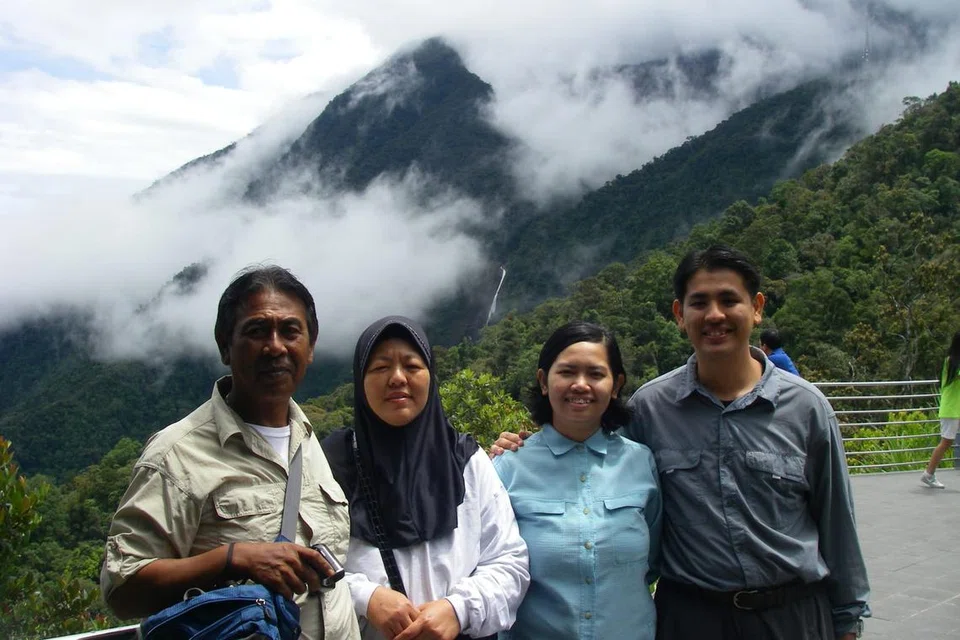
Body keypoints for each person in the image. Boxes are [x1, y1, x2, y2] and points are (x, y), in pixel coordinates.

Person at [492, 245, 870, 640]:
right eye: (699, 302)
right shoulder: (651, 409)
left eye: (729, 300)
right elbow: (590, 463)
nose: (715, 315)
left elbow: (837, 522)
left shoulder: (806, 408)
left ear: (756, 307)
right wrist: (515, 449)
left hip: (791, 616)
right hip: (691, 618)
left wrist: (847, 620)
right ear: (679, 314)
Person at [100, 265, 360, 640]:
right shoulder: (176, 455)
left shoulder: (306, 438)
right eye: (257, 331)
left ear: (310, 347)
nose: (275, 347)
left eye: (290, 331)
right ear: (225, 346)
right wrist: (232, 559)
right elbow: (123, 588)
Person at [321, 316, 529, 640]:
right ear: (359, 381)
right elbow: (305, 562)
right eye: (380, 368)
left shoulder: (466, 461)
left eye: (412, 366)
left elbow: (510, 564)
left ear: (431, 376)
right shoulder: (331, 465)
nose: (397, 378)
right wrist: (366, 597)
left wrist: (458, 610)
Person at [492, 322, 661, 640]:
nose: (581, 385)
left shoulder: (641, 463)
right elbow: (493, 568)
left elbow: (652, 561)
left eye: (596, 374)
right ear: (544, 381)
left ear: (615, 385)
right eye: (567, 372)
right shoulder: (508, 468)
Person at [920, 330, 960, 489]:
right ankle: (928, 474)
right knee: (946, 442)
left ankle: (928, 474)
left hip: (955, 409)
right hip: (951, 409)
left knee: (946, 442)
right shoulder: (952, 362)